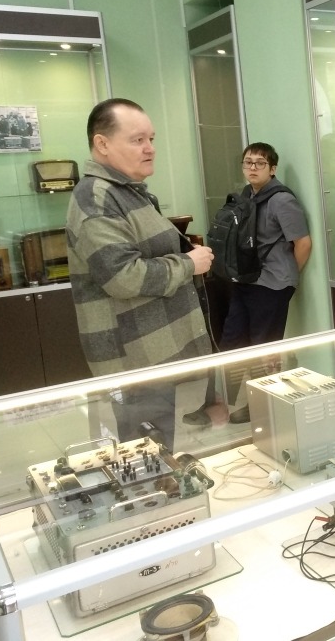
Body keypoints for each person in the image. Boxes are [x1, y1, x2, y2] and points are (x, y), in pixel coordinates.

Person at [66, 98, 214, 451]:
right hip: (134, 361)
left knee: (161, 448)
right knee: (145, 454)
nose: (150, 148)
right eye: (137, 140)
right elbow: (123, 277)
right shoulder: (97, 197)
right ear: (102, 143)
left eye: (151, 139)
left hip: (155, 354)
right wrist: (188, 264)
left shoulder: (129, 192)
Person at [185, 142, 313, 426]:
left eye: (260, 163)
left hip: (272, 285)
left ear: (272, 169)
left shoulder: (281, 200)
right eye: (248, 162)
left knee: (263, 348)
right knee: (231, 342)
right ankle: (215, 404)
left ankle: (262, 408)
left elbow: (303, 243)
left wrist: (289, 278)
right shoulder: (246, 196)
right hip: (246, 280)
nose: (253, 167)